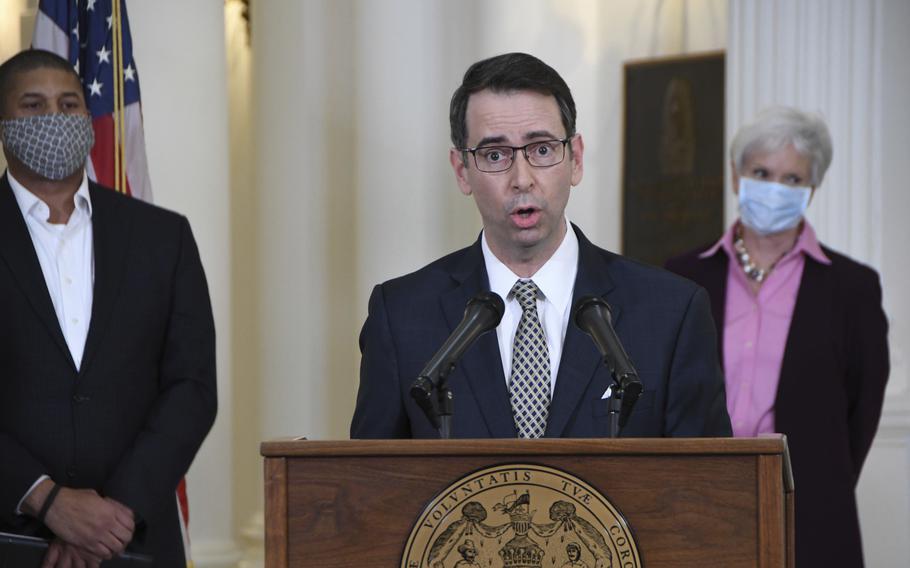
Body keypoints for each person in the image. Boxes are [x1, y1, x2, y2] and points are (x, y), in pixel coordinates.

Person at [351, 52, 730, 439]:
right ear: (462, 171)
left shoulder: (671, 313)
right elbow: (370, 486)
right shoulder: (401, 316)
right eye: (495, 155)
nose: (522, 178)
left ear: (576, 158)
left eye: (542, 149)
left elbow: (709, 487)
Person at [0, 49, 216, 567]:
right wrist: (47, 500)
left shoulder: (164, 237)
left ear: (89, 120)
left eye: (69, 104)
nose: (54, 117)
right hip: (12, 538)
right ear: (4, 123)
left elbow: (192, 387)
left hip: (134, 538)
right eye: (32, 105)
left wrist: (112, 514)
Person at [665, 106, 889, 566]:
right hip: (698, 499)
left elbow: (862, 409)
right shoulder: (682, 277)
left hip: (812, 507)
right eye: (761, 172)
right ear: (735, 176)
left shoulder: (852, 287)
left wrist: (825, 477)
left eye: (792, 179)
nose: (774, 188)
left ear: (811, 190)